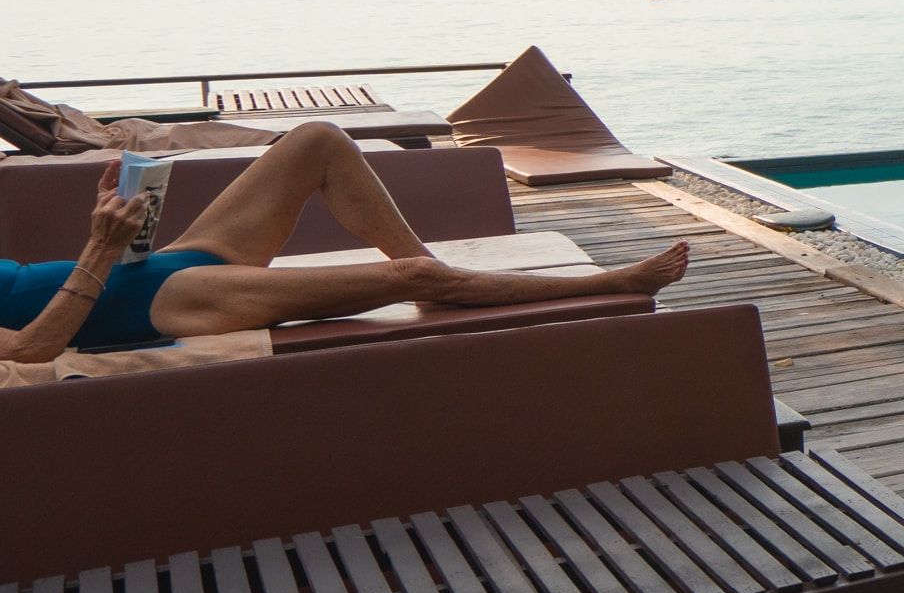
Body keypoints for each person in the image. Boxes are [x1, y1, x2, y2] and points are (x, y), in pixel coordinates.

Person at [0, 123, 684, 365]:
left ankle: (438, 273)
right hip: (169, 302)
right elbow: (32, 347)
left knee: (317, 142)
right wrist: (98, 250)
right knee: (408, 280)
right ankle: (613, 284)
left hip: (162, 265)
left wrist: (114, 237)